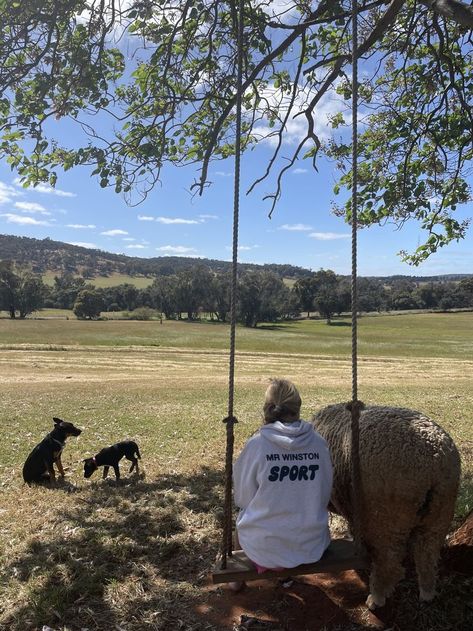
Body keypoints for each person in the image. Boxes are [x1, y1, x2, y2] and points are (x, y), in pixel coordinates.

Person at [231, 379, 333, 590]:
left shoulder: (257, 445)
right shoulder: (318, 443)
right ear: (298, 408)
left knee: (241, 522)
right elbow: (324, 494)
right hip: (311, 545)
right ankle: (284, 575)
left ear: (267, 409)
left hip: (264, 549)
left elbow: (242, 498)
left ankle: (237, 580)